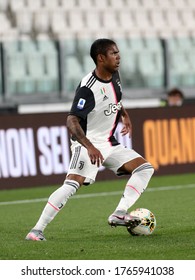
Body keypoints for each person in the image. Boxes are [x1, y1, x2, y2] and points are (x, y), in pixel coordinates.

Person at [25, 38, 154, 241]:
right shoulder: (88, 88)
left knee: (145, 168)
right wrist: (90, 146)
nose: (118, 57)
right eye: (114, 53)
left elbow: (116, 98)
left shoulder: (115, 74)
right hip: (87, 142)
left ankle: (119, 212)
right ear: (101, 58)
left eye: (118, 52)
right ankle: (36, 230)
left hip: (109, 142)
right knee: (71, 185)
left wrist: (124, 114)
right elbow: (72, 121)